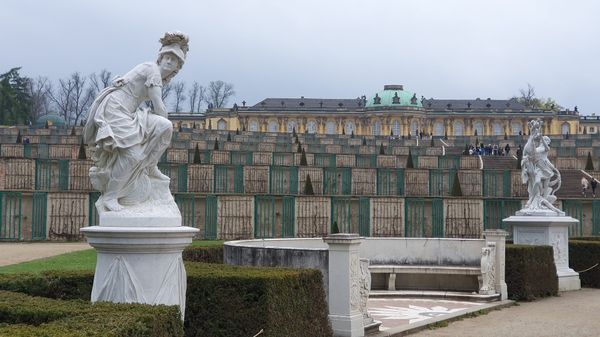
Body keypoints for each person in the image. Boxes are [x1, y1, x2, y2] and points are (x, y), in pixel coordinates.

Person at [84, 32, 189, 212]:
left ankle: (149, 166)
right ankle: (110, 196)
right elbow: (158, 105)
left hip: (130, 112)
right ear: (161, 57)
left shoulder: (158, 77)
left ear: (177, 67)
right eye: (167, 57)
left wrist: (162, 130)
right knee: (133, 155)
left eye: (174, 60)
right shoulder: (152, 70)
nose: (169, 62)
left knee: (165, 126)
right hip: (115, 110)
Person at [521, 119, 562, 213]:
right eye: (546, 139)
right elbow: (533, 152)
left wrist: (556, 173)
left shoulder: (546, 148)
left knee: (546, 187)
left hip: (546, 169)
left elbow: (546, 153)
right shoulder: (538, 148)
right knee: (537, 182)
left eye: (547, 140)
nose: (546, 141)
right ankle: (534, 197)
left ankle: (542, 201)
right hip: (538, 168)